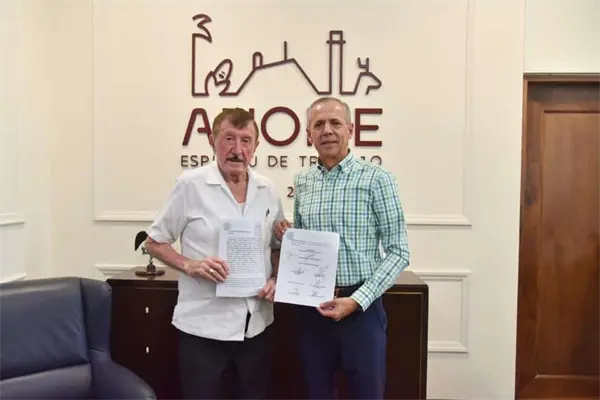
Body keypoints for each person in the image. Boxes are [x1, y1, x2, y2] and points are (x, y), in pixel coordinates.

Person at [274, 97, 410, 400]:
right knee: (316, 393)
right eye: (318, 125)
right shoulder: (304, 181)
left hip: (362, 311)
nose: (327, 130)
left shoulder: (377, 179)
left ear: (350, 129)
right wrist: (291, 236)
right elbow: (309, 245)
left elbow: (399, 251)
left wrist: (356, 300)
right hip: (313, 310)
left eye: (335, 123)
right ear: (309, 135)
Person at [144, 107, 284, 400]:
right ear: (212, 140)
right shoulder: (190, 185)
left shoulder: (268, 189)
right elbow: (154, 243)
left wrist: (276, 277)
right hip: (203, 329)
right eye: (229, 138)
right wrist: (190, 265)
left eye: (245, 140)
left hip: (256, 327)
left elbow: (275, 247)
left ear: (256, 146)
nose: (237, 149)